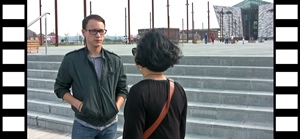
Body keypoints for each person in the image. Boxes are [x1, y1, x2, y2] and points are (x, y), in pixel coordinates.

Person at [54, 14, 128, 139]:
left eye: (101, 31)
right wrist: (78, 104)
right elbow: (60, 88)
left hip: (110, 126)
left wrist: (116, 106)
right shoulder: (72, 60)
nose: (98, 35)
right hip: (83, 125)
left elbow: (123, 89)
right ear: (84, 32)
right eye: (93, 31)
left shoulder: (115, 61)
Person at [123, 31, 187, 139]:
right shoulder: (178, 89)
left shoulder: (138, 93)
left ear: (141, 57)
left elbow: (132, 134)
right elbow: (180, 131)